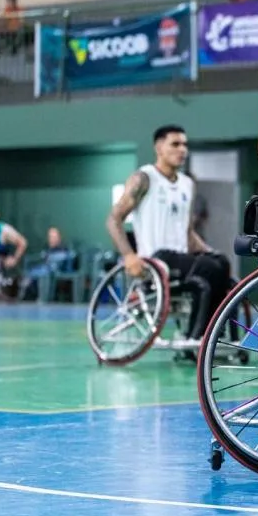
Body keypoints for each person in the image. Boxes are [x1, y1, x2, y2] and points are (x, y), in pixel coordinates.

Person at [106, 125, 232, 350]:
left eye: (185, 144)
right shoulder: (143, 178)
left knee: (220, 263)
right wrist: (128, 256)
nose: (182, 149)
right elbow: (113, 220)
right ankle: (200, 337)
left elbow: (188, 233)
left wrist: (210, 252)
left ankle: (203, 337)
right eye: (175, 144)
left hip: (182, 261)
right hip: (156, 261)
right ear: (159, 148)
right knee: (210, 268)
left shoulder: (187, 184)